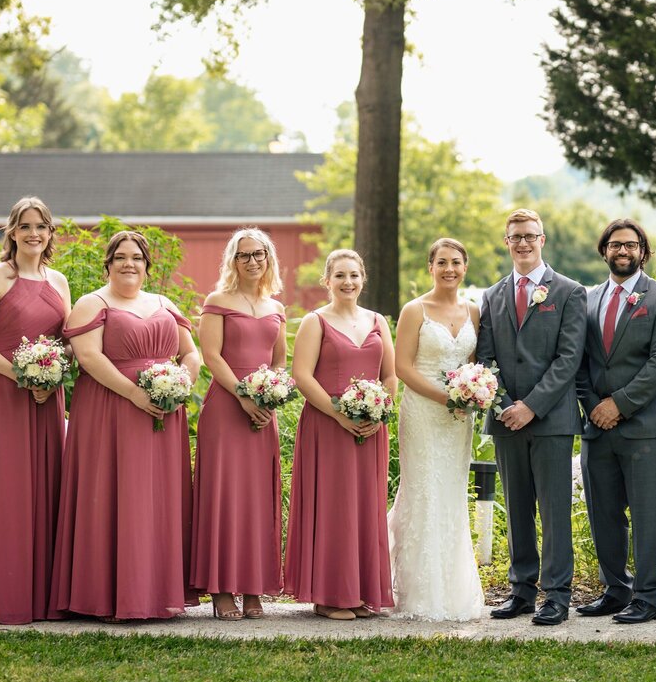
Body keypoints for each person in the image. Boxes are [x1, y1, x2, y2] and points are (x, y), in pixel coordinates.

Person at [50, 231, 201, 621]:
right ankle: (105, 594)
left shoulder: (166, 304)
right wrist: (134, 394)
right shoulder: (92, 303)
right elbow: (89, 357)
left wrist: (182, 383)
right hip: (110, 410)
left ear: (148, 267)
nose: (128, 264)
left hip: (164, 413)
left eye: (136, 258)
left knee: (156, 498)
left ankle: (155, 593)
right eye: (120, 257)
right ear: (108, 263)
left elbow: (191, 353)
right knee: (112, 493)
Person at [0, 197, 71, 624]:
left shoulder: (59, 281)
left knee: (49, 488)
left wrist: (51, 379)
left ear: (50, 233)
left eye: (41, 226)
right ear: (12, 232)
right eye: (25, 226)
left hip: (48, 399)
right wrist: (22, 377)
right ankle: (8, 597)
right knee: (9, 492)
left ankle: (47, 598)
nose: (33, 234)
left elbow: (65, 341)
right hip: (6, 395)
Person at [477, 208, 586, 626]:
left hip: (551, 420)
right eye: (515, 237)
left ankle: (557, 594)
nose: (522, 243)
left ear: (543, 239)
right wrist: (504, 404)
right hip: (506, 420)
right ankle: (521, 590)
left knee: (554, 510)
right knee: (517, 507)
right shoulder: (492, 295)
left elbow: (569, 358)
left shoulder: (571, 292)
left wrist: (531, 406)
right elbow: (485, 357)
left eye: (529, 235)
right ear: (507, 242)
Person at [574, 218, 656, 625]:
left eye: (631, 245)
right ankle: (615, 589)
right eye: (616, 245)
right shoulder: (586, 299)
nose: (623, 251)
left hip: (644, 425)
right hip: (596, 425)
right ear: (604, 250)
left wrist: (618, 404)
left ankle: (649, 595)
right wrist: (592, 405)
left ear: (643, 251)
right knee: (603, 511)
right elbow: (578, 360)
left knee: (646, 511)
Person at [284, 249, 397, 620]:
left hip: (369, 428)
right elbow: (302, 375)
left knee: (364, 506)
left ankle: (361, 592)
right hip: (327, 427)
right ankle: (329, 595)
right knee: (335, 508)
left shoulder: (378, 320)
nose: (348, 282)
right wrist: (338, 414)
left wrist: (380, 413)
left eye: (354, 275)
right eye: (340, 276)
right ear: (327, 281)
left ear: (363, 279)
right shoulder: (315, 322)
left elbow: (390, 376)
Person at [190, 228, 288, 620]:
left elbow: (279, 359)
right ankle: (220, 588)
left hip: (263, 411)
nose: (252, 261)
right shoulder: (218, 301)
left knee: (256, 499)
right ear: (233, 260)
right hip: (227, 406)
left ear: (268, 258)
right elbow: (211, 355)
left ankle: (252, 587)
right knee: (223, 495)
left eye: (258, 254)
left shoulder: (276, 306)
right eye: (244, 255)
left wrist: (270, 392)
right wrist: (243, 395)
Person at [388, 238, 485, 621]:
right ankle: (419, 593)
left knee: (451, 495)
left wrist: (472, 396)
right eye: (442, 262)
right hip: (423, 412)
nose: (449, 269)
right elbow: (403, 368)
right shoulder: (415, 310)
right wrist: (447, 398)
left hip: (460, 419)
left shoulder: (474, 311)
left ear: (465, 266)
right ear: (430, 266)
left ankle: (453, 590)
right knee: (424, 493)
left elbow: (474, 366)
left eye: (456, 262)